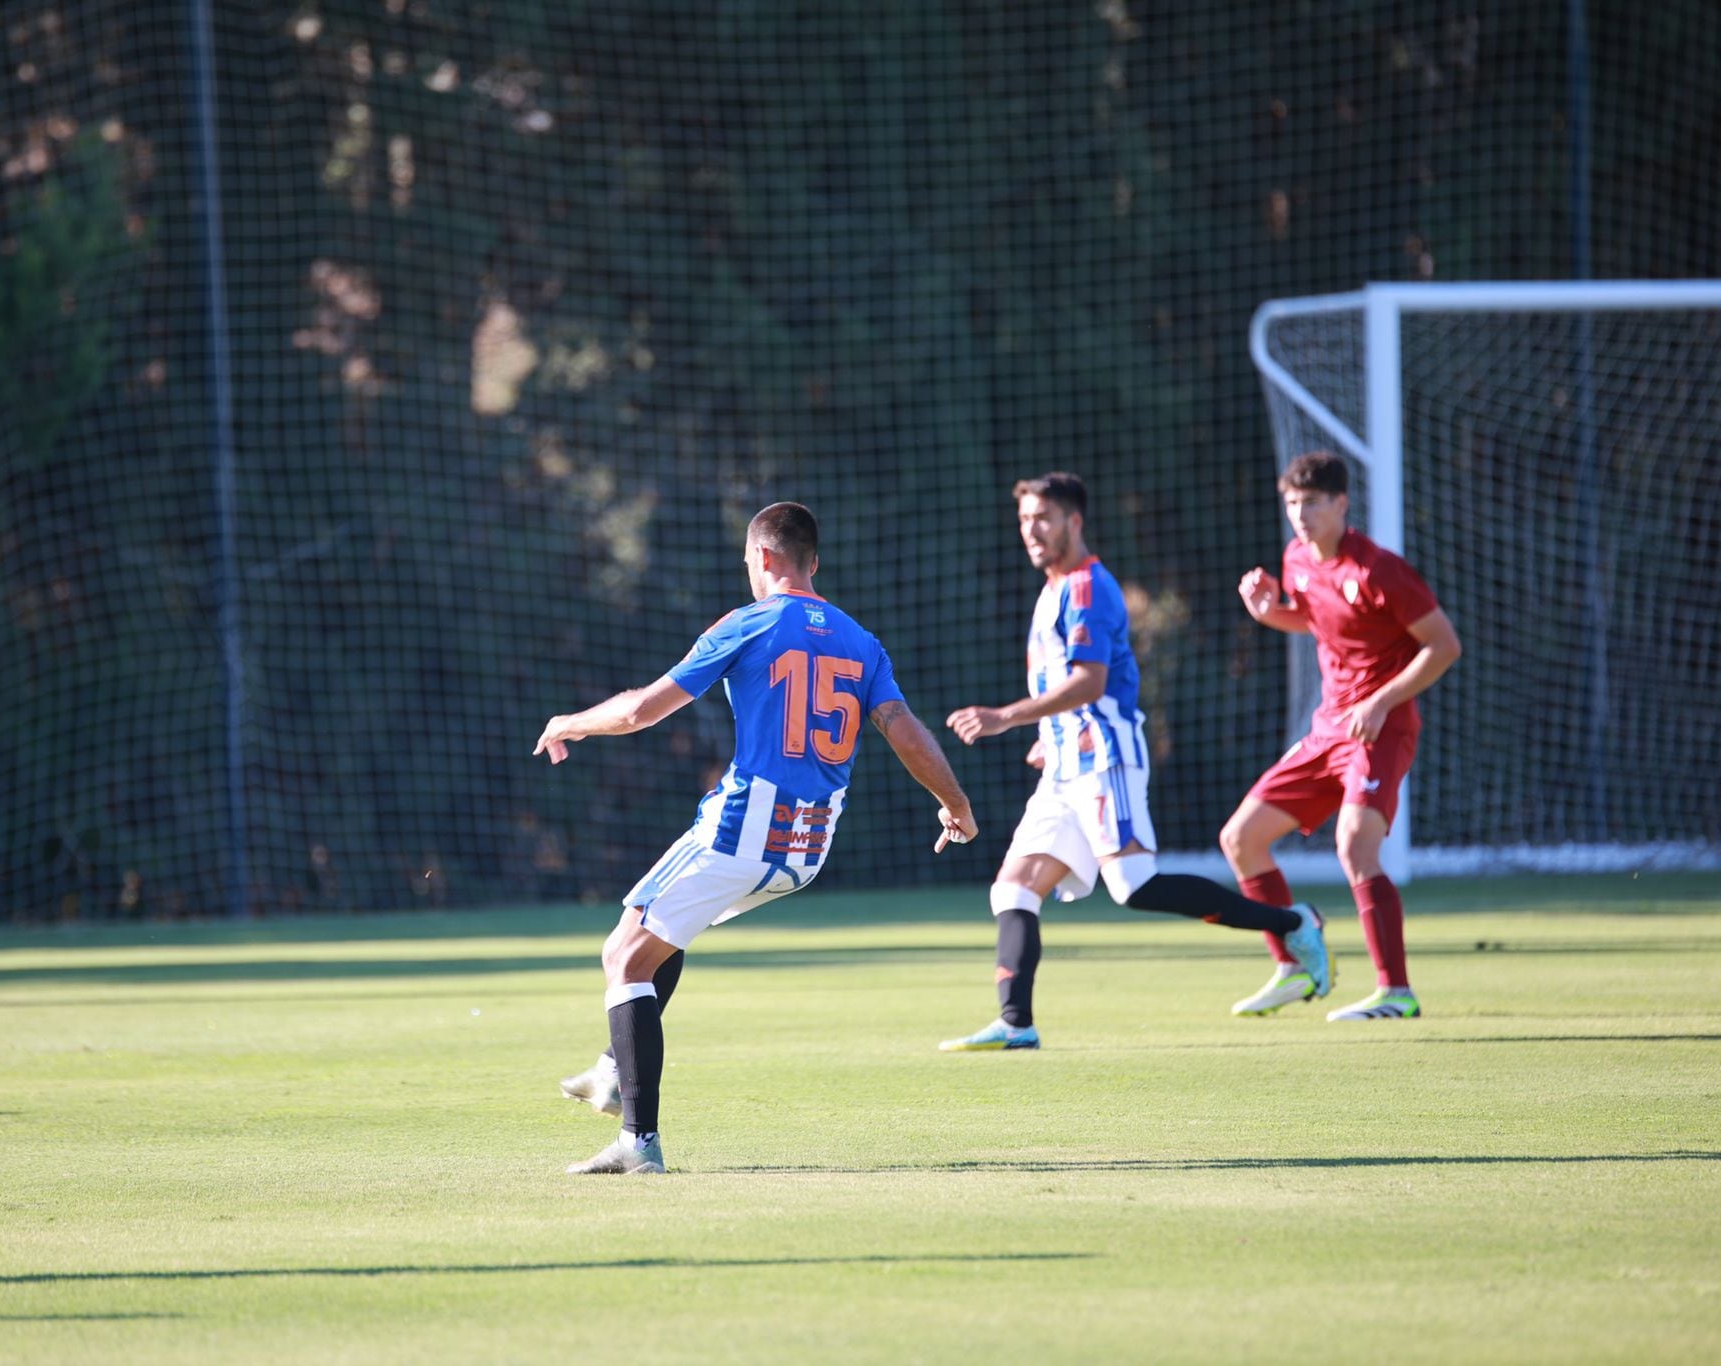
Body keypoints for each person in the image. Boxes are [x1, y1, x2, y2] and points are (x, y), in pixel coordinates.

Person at [536, 501, 977, 1174]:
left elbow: (640, 710)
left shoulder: (748, 623)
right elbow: (905, 731)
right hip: (808, 847)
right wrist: (956, 803)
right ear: (814, 563)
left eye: (749, 561)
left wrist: (571, 721)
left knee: (622, 959)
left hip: (745, 826)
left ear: (764, 559)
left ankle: (637, 1141)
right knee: (652, 926)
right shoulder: (862, 641)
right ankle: (612, 1070)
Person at [937, 474, 1332, 1050]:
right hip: (1063, 766)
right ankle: (1016, 1023)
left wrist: (1006, 716)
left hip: (1105, 760)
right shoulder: (1052, 591)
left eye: (1043, 517)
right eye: (1025, 520)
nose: (1032, 530)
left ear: (1075, 521)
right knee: (1014, 887)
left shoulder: (1089, 588)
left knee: (1134, 885)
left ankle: (1294, 923)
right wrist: (1049, 734)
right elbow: (1067, 687)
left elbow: (1090, 682)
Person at [1222, 451, 1462, 1021]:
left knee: (1355, 845)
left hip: (1382, 725)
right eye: (1292, 504)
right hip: (1329, 727)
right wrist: (1267, 613)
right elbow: (1313, 619)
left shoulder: (1379, 569)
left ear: (1341, 504)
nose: (1300, 515)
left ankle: (1395, 992)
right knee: (1241, 839)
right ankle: (1292, 966)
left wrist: (1381, 701)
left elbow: (1444, 646)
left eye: (1311, 503)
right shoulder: (1297, 560)